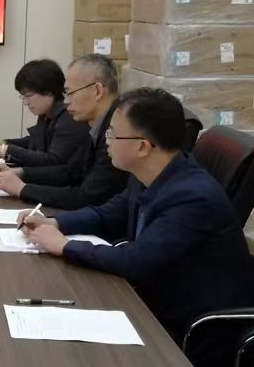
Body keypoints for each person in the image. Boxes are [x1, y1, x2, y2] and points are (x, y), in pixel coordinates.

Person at [18, 88, 254, 367]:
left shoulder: (192, 197)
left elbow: (136, 260)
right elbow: (110, 213)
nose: (106, 141)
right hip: (150, 300)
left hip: (190, 330)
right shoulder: (153, 174)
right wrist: (55, 222)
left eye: (112, 133)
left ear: (142, 147)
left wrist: (65, 245)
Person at [0, 54, 128, 209]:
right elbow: (71, 172)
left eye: (70, 93)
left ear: (97, 91)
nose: (66, 101)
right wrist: (21, 173)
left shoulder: (119, 132)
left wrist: (22, 189)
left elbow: (86, 197)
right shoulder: (97, 125)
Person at [0, 59, 89, 167]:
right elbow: (35, 142)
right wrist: (3, 143)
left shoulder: (69, 117)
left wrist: (5, 150)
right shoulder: (47, 114)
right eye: (23, 96)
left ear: (48, 91)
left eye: (28, 95)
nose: (26, 102)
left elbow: (52, 160)